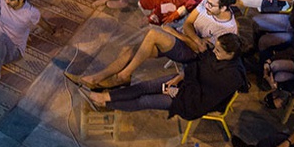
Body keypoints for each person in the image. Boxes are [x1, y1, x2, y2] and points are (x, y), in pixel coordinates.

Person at [71, 0, 235, 89]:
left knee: (153, 34)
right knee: (131, 50)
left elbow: (201, 51)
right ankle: (95, 79)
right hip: (181, 39)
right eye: (207, 2)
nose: (206, 6)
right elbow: (188, 24)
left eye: (211, 5)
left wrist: (175, 33)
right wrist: (194, 38)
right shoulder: (208, 3)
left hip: (192, 56)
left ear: (224, 8)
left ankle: (123, 75)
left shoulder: (227, 30)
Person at [80, 34, 247, 122]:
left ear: (231, 55)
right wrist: (179, 78)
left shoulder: (232, 76)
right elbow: (198, 65)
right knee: (145, 86)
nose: (214, 52)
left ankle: (108, 102)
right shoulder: (217, 57)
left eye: (218, 51)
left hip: (191, 101)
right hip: (186, 82)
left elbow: (207, 95)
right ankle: (107, 96)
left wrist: (175, 92)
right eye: (215, 49)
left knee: (145, 101)